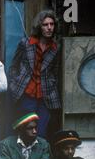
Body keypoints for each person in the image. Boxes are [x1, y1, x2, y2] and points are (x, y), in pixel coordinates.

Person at [8, 10, 61, 139]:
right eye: (45, 24)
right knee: (26, 130)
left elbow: (56, 71)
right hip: (26, 94)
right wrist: (14, 84)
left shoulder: (56, 48)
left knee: (41, 132)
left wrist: (52, 83)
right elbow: (13, 66)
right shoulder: (26, 43)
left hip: (45, 96)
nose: (49, 28)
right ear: (39, 26)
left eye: (51, 24)